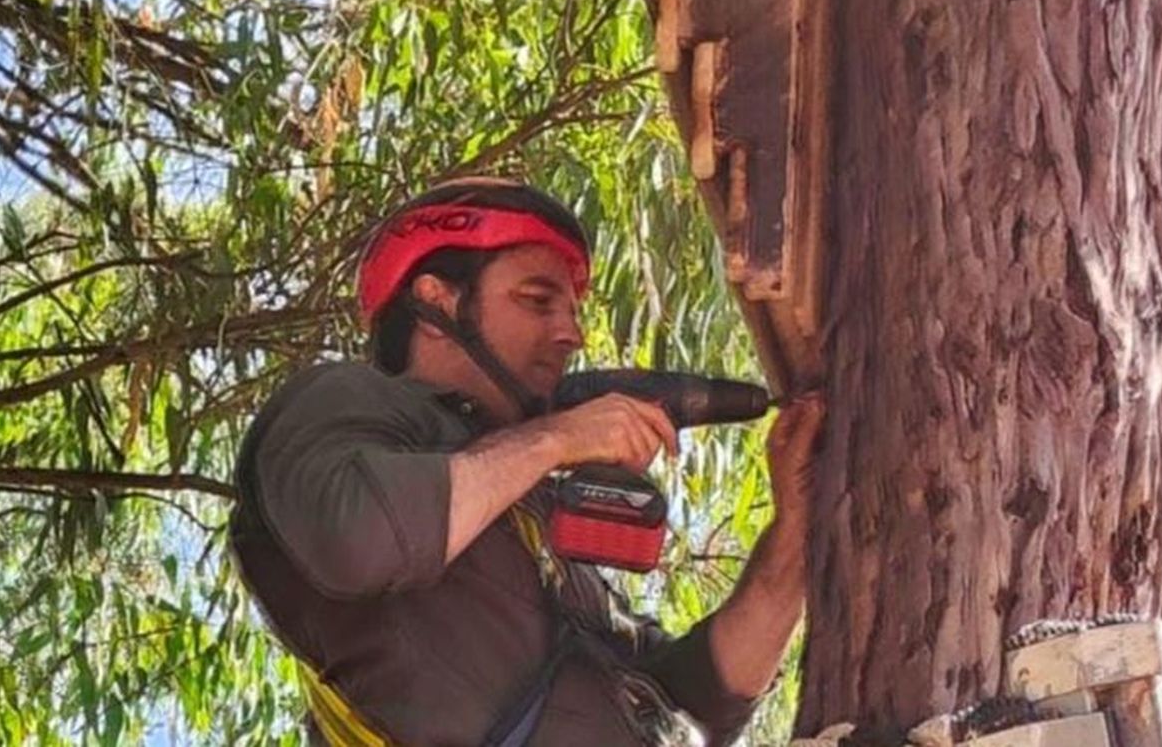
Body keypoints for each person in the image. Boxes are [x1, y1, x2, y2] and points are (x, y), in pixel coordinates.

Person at [228, 177, 824, 746]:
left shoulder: (539, 535)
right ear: (436, 300)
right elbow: (360, 535)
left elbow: (699, 703)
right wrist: (556, 440)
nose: (572, 334)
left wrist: (794, 530)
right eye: (537, 300)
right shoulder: (345, 399)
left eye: (571, 309)